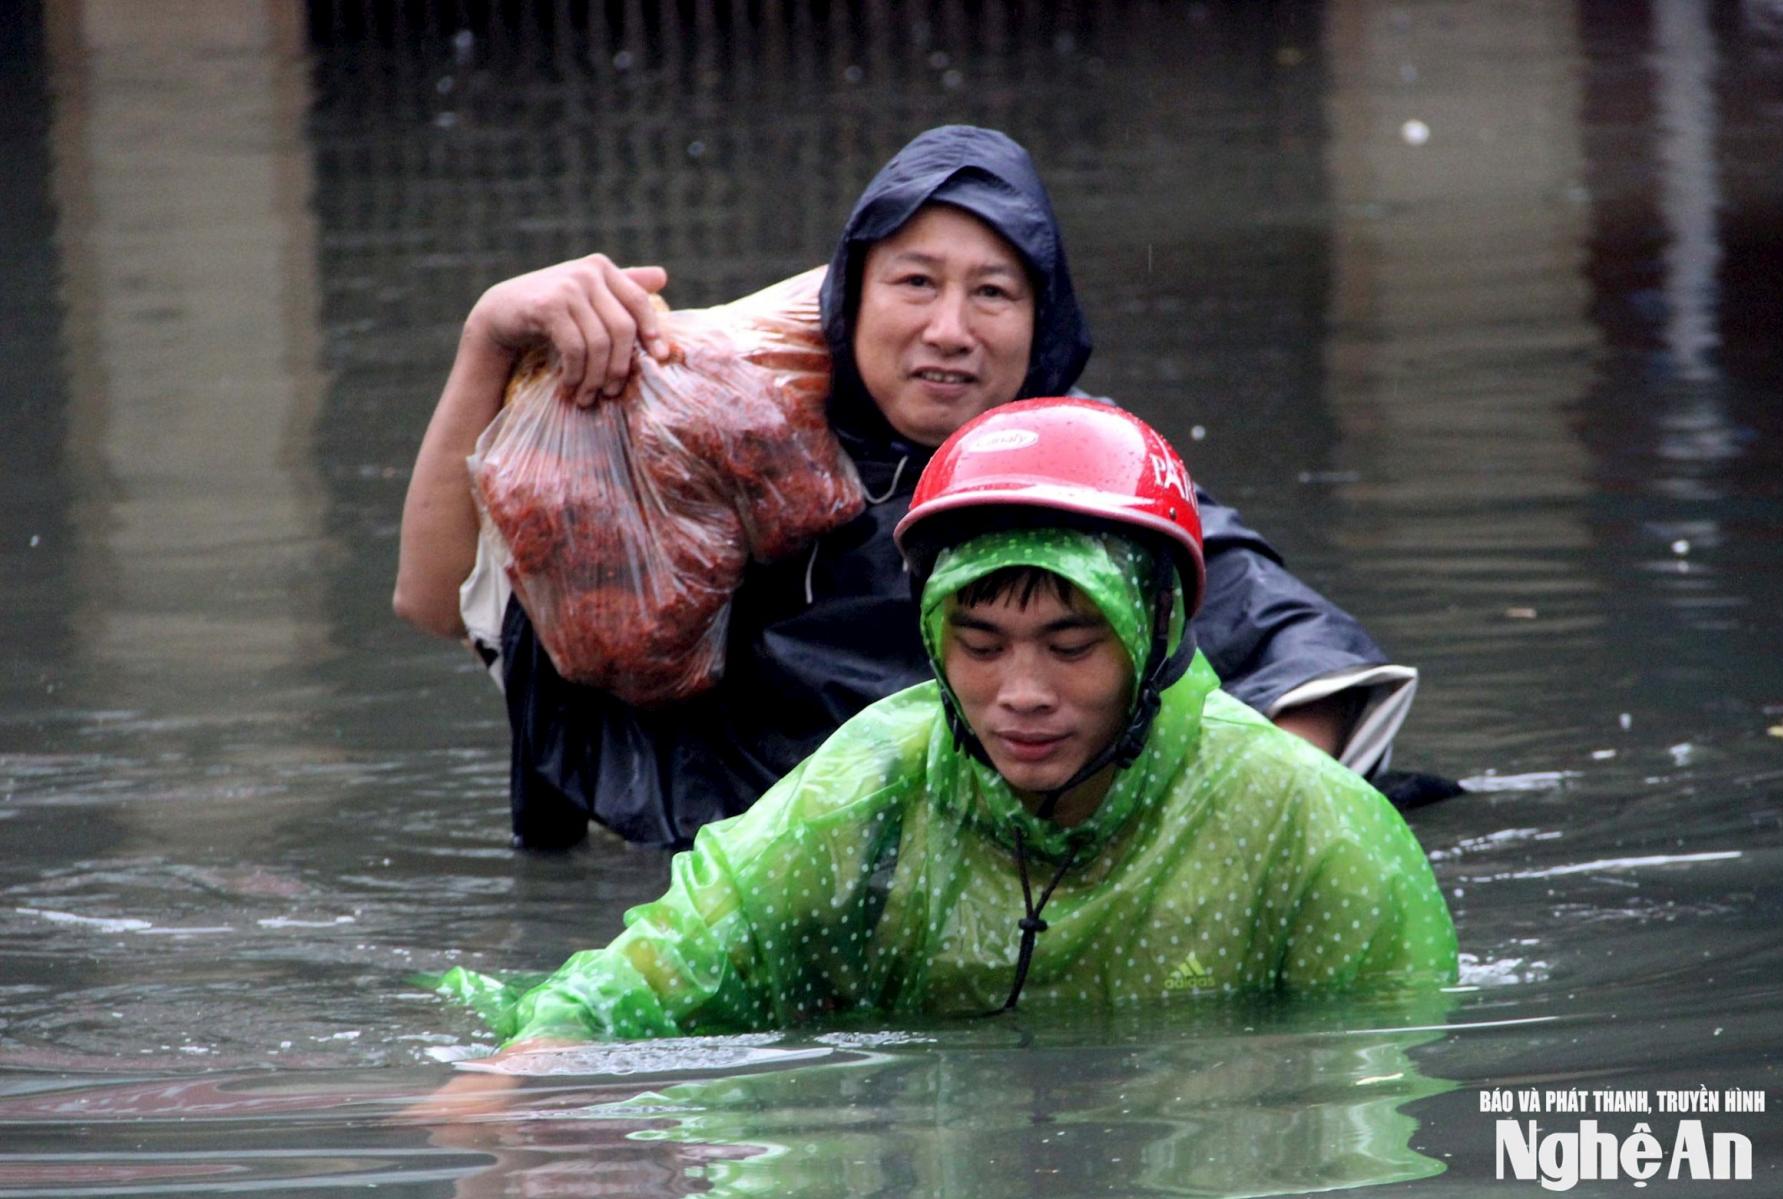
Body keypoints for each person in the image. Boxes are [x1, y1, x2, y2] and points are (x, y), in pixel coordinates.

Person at [394, 125, 1419, 851]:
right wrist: (488, 335)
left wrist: (1233, 844)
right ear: (850, 298)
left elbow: (1295, 649)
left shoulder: (1089, 471)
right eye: (916, 282)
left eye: (994, 292)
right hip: (740, 880)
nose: (949, 329)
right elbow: (438, 601)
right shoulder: (720, 445)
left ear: (1042, 322)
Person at [436, 399, 1455, 1048]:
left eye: (1070, 644)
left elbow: (1360, 1111)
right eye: (978, 642)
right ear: (928, 634)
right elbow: (651, 974)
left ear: (1158, 636)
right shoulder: (874, 783)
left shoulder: (1317, 829)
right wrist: (507, 1094)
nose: (1020, 692)